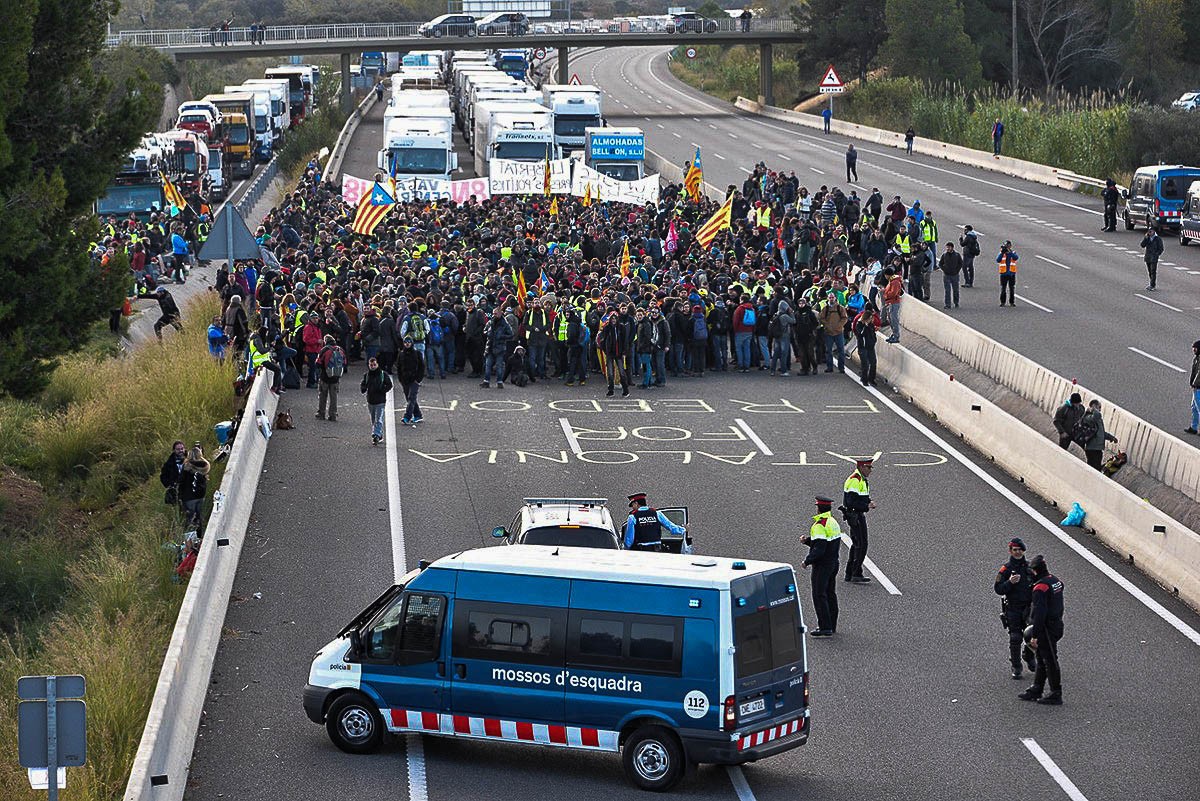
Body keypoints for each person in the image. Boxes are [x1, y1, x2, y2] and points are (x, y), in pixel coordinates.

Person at [1018, 555, 1064, 705]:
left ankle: (1056, 692)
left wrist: (1035, 635)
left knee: (1049, 660)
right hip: (1056, 624)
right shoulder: (1055, 581)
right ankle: (1037, 688)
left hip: (1046, 629)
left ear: (1035, 572)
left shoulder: (1040, 588)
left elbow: (1039, 613)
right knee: (1042, 658)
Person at [993, 537, 1037, 680]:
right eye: (1014, 550)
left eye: (1019, 550)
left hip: (1029, 607)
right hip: (1013, 608)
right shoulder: (1006, 569)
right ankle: (1016, 666)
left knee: (1032, 635)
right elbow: (998, 589)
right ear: (1010, 551)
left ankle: (1029, 656)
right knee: (1015, 637)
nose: (1017, 552)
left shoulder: (1030, 568)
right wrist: (1010, 583)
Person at [801, 496, 841, 637]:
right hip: (834, 563)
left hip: (822, 566)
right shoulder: (832, 522)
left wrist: (807, 561)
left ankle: (824, 626)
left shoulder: (819, 525)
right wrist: (807, 541)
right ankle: (832, 624)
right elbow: (825, 542)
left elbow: (820, 548)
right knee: (830, 593)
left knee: (819, 594)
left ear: (818, 508)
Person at [842, 458, 875, 583]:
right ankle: (855, 572)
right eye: (868, 467)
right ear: (862, 467)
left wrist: (868, 501)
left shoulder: (860, 479)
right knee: (861, 544)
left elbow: (861, 496)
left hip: (857, 514)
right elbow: (852, 502)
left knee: (858, 544)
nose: (870, 470)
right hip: (855, 515)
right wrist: (866, 506)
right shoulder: (855, 480)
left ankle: (852, 572)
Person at [360, 355, 393, 445]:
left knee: (379, 418)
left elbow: (389, 385)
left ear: (377, 364)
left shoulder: (383, 374)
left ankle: (376, 434)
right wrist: (363, 388)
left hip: (380, 401)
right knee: (373, 419)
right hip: (370, 400)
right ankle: (379, 434)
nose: (373, 367)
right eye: (371, 365)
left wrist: (383, 390)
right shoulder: (367, 375)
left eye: (374, 365)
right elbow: (363, 384)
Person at [1078, 399, 1118, 470]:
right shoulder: (1088, 417)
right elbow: (1097, 415)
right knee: (1094, 468)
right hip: (1092, 448)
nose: (1100, 409)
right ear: (1094, 406)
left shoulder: (1097, 420)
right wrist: (1093, 409)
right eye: (1099, 407)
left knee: (1096, 467)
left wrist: (1111, 438)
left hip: (1097, 448)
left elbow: (1101, 433)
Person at [315, 334, 345, 422]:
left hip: (325, 376)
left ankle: (321, 413)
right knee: (334, 396)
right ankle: (333, 415)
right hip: (336, 378)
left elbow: (318, 363)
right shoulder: (340, 350)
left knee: (323, 395)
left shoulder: (324, 350)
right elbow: (345, 362)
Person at [179, 445, 210, 529]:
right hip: (200, 495)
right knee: (200, 517)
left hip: (189, 497)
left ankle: (193, 538)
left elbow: (181, 481)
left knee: (191, 520)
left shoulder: (186, 466)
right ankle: (201, 534)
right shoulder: (205, 466)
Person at [396, 336, 425, 426]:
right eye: (405, 342)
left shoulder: (417, 354)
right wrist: (400, 379)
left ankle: (407, 417)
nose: (407, 344)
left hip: (414, 379)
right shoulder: (401, 354)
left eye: (409, 342)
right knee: (409, 398)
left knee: (411, 398)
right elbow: (399, 367)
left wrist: (418, 379)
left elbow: (422, 367)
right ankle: (418, 415)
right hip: (405, 380)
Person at [852, 303, 881, 387]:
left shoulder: (871, 325)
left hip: (870, 346)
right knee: (865, 364)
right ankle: (864, 379)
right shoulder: (859, 324)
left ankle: (871, 379)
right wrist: (866, 326)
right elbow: (860, 333)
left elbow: (873, 333)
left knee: (873, 362)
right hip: (863, 347)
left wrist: (873, 340)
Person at [160, 440, 187, 507]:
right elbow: (163, 477)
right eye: (178, 449)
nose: (181, 451)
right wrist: (170, 485)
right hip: (176, 492)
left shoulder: (190, 459)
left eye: (182, 448)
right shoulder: (169, 463)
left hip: (189, 490)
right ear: (174, 450)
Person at [938, 241, 963, 309]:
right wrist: (944, 269)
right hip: (947, 275)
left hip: (955, 275)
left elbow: (960, 263)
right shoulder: (944, 255)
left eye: (949, 247)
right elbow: (940, 263)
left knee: (956, 290)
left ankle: (956, 302)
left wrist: (957, 270)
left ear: (952, 248)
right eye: (947, 247)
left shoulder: (957, 255)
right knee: (947, 290)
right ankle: (947, 304)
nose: (947, 249)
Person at [882, 267, 903, 343]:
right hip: (890, 303)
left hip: (893, 303)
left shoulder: (895, 282)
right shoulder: (892, 281)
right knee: (891, 319)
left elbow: (893, 293)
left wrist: (885, 294)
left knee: (894, 319)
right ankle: (894, 334)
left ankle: (896, 336)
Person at [1140, 227, 1164, 291]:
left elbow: (1161, 248)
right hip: (1148, 257)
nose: (1150, 233)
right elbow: (1142, 245)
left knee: (1153, 271)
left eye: (1151, 231)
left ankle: (1152, 285)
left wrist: (1156, 255)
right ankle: (1151, 284)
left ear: (1154, 232)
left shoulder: (1158, 239)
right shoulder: (1147, 238)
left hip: (1154, 258)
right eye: (1149, 231)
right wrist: (1145, 238)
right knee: (1150, 271)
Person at [996, 240, 1018, 307]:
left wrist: (1010, 252)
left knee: (1012, 288)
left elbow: (1016, 258)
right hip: (1004, 273)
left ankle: (1012, 302)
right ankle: (1003, 302)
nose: (1007, 247)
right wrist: (1002, 253)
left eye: (1008, 246)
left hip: (1011, 273)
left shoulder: (1013, 252)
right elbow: (998, 260)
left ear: (1010, 246)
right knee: (1003, 288)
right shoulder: (1002, 253)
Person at [1188, 340, 1200, 435]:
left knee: (1199, 407)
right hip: (1196, 387)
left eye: (1195, 348)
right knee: (1194, 407)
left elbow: (1199, 374)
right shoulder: (1196, 358)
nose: (1193, 350)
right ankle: (1194, 427)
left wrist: (1195, 384)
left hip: (1198, 387)